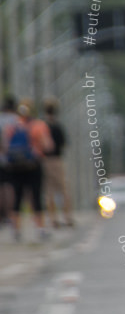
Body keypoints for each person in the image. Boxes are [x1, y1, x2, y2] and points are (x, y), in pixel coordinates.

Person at [2, 101, 53, 241]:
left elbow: (6, 147)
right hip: (33, 166)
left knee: (16, 198)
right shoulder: (39, 125)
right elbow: (47, 145)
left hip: (15, 167)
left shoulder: (11, 127)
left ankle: (16, 231)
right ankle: (41, 229)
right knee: (36, 197)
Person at [42, 99, 74, 228]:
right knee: (63, 189)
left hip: (44, 160)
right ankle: (67, 217)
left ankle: (53, 219)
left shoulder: (42, 125)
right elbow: (64, 143)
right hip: (57, 160)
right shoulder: (58, 125)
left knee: (49, 191)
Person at [0, 95, 17, 229]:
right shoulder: (17, 120)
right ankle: (10, 215)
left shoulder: (1, 119)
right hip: (13, 159)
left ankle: (2, 215)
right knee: (10, 187)